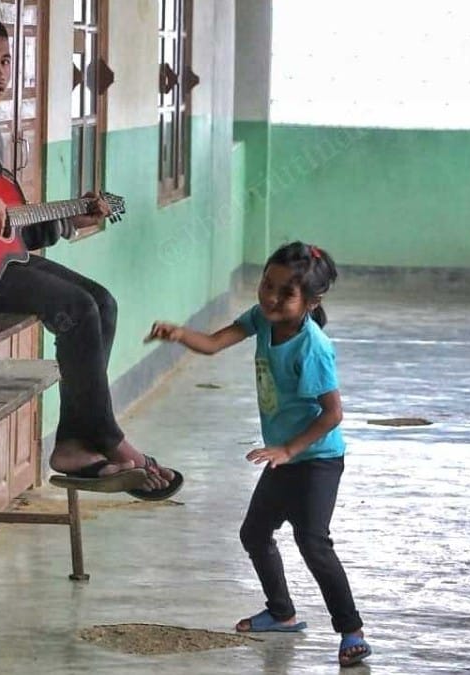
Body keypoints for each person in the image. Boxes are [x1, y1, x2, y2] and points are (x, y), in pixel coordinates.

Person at [0, 13, 182, 500]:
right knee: (77, 310)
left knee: (101, 302)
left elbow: (11, 230)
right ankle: (107, 438)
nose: (0, 73)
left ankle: (70, 443)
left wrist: (71, 218)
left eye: (5, 60)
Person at [145, 242, 371, 667]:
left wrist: (289, 448)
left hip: (316, 459)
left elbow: (333, 413)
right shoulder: (261, 321)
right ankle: (282, 613)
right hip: (282, 457)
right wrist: (179, 333)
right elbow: (213, 343)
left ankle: (351, 631)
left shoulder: (313, 347)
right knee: (254, 534)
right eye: (267, 285)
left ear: (310, 301)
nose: (270, 297)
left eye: (285, 293)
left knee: (313, 543)